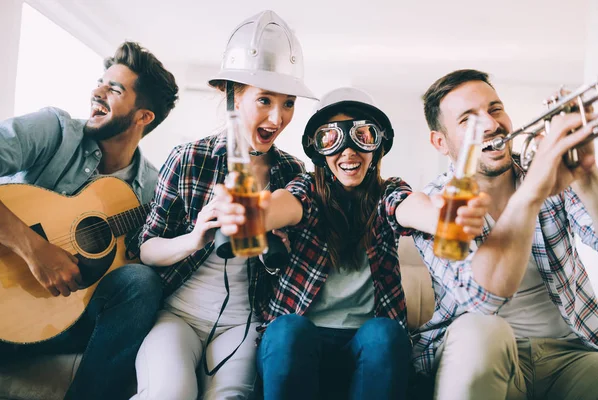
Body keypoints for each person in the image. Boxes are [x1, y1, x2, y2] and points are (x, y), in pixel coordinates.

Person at [215, 87, 490, 400]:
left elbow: (411, 206)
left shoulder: (388, 193)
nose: (348, 151)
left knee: (384, 333)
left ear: (378, 145)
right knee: (288, 329)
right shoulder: (306, 190)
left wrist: (443, 216)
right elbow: (283, 204)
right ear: (318, 150)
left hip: (368, 349)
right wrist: (254, 213)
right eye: (331, 139)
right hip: (300, 345)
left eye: (362, 135)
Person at [131, 10, 316, 400]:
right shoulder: (188, 158)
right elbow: (147, 248)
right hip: (178, 314)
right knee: (168, 393)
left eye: (288, 104)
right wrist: (194, 237)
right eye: (264, 100)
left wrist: (270, 243)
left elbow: (287, 267)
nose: (277, 117)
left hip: (244, 322)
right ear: (231, 96)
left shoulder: (291, 171)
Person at [0, 41, 179, 399]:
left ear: (144, 117)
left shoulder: (152, 193)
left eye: (113, 89)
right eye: (101, 81)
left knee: (142, 282)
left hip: (61, 318)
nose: (96, 91)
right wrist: (36, 250)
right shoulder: (54, 129)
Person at [412, 69, 598, 400]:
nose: (490, 124)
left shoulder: (544, 170)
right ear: (440, 142)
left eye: (495, 109)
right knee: (482, 331)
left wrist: (587, 176)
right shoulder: (436, 204)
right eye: (468, 119)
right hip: (487, 350)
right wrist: (532, 193)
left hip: (571, 352)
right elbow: (483, 299)